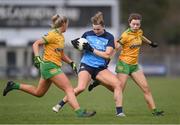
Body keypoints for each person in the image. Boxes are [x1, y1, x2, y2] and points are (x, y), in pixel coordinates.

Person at [2, 14, 96, 117]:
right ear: (63, 23)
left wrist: (71, 62)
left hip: (49, 67)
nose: (67, 26)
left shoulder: (61, 37)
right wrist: (37, 57)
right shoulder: (52, 34)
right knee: (69, 89)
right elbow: (36, 44)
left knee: (39, 93)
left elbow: (61, 54)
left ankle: (13, 85)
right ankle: (79, 112)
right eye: (67, 23)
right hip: (50, 66)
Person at [88, 13, 164, 116]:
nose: (136, 26)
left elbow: (141, 36)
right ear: (129, 24)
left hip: (134, 66)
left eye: (138, 24)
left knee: (146, 88)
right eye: (133, 24)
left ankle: (155, 111)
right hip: (124, 65)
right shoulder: (125, 35)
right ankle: (102, 84)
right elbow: (116, 47)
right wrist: (108, 58)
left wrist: (150, 43)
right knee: (117, 88)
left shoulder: (139, 31)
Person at [52, 11, 125, 117]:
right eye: (94, 29)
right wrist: (76, 45)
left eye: (98, 29)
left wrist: (91, 49)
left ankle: (119, 112)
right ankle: (60, 104)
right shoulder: (87, 34)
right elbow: (81, 49)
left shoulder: (109, 37)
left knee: (118, 85)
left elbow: (107, 55)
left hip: (100, 68)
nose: (95, 31)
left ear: (103, 27)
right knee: (81, 88)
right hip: (86, 65)